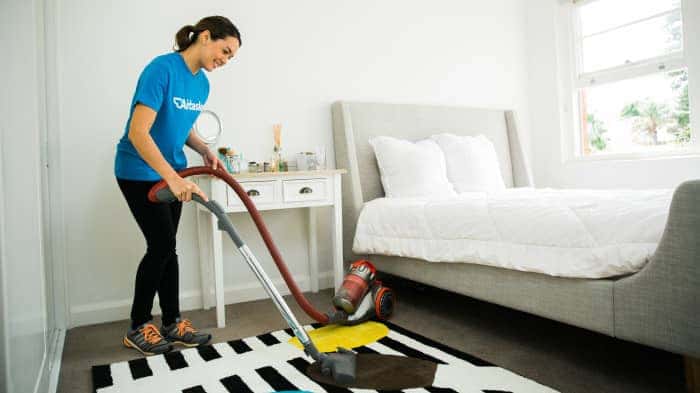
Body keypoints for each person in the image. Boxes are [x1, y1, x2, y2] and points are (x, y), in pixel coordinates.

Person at [114, 16, 241, 355]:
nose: (225, 61)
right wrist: (169, 176)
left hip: (174, 173)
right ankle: (138, 326)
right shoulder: (162, 69)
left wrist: (203, 149)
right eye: (224, 51)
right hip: (138, 170)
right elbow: (138, 133)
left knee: (167, 247)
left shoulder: (202, 84)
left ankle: (172, 322)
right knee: (161, 244)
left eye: (231, 57)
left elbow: (179, 126)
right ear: (204, 36)